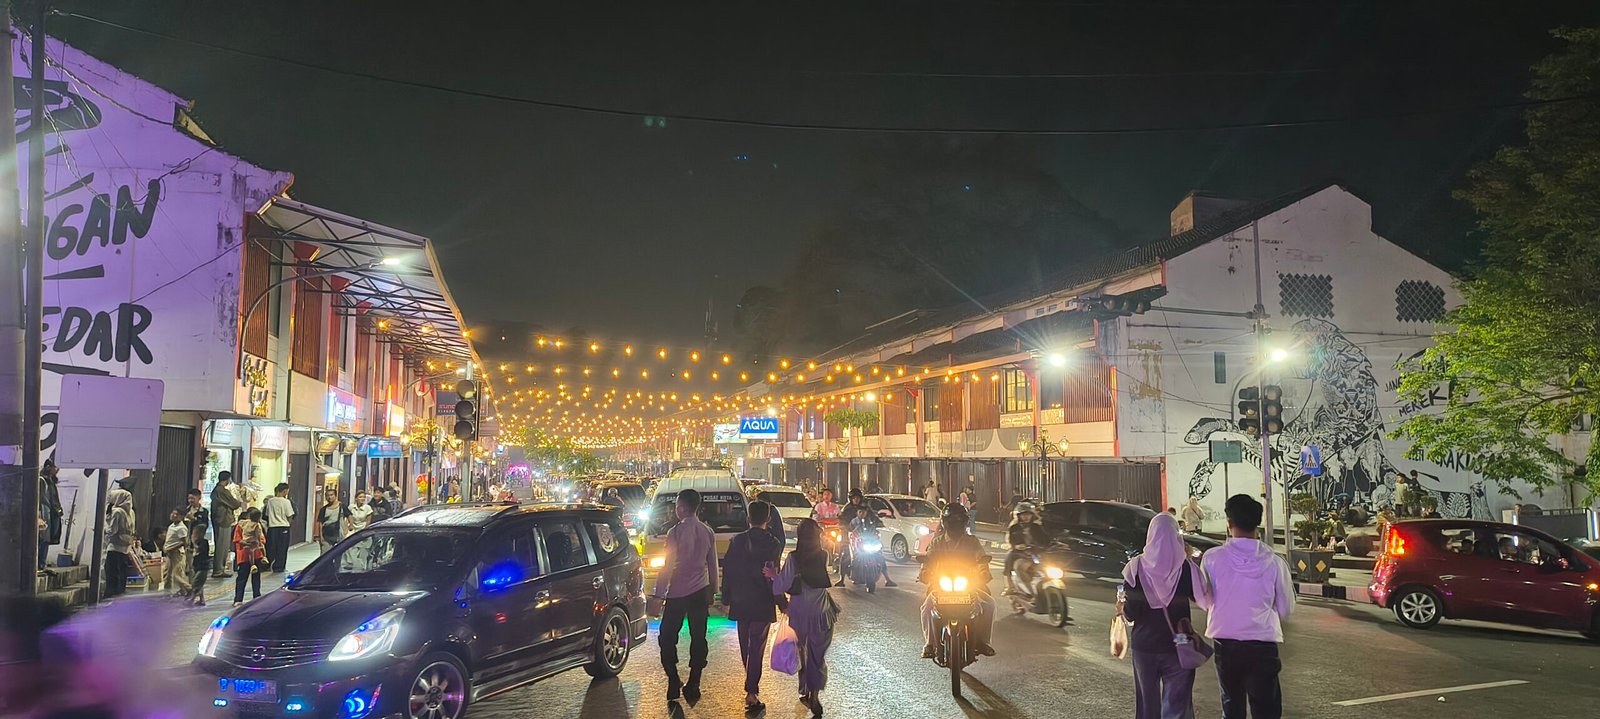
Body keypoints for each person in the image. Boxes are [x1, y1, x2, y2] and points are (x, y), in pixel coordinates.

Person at [1198, 494, 1294, 719]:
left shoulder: (1212, 559)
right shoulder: (1276, 563)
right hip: (1263, 646)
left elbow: (1205, 601)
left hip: (1227, 645)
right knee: (1266, 709)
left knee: (1231, 706)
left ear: (1229, 523)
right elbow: (1286, 609)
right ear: (1257, 523)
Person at [1120, 512, 1209, 719]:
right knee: (1177, 706)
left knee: (1147, 706)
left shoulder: (1135, 568)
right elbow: (1204, 600)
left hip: (1145, 648)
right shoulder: (1186, 568)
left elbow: (1131, 613)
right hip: (1178, 646)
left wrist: (1121, 607)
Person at [649, 488, 718, 703]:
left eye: (677, 505)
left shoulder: (674, 533)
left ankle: (673, 678)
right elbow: (712, 566)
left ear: (682, 508)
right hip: (699, 591)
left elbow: (667, 567)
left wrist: (658, 596)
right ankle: (694, 682)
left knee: (667, 637)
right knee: (699, 637)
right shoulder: (707, 531)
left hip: (677, 593)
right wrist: (713, 591)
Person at [769, 519, 839, 718]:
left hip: (799, 614)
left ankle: (805, 689)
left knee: (803, 653)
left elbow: (780, 586)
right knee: (817, 656)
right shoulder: (823, 555)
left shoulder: (793, 558)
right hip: (821, 613)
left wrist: (775, 575)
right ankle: (814, 693)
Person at [722, 500, 786, 713]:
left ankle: (751, 686)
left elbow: (728, 570)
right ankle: (751, 692)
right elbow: (772, 575)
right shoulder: (773, 543)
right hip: (762, 601)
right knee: (756, 646)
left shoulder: (737, 541)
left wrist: (726, 598)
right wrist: (782, 603)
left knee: (746, 645)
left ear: (748, 518)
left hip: (741, 600)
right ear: (768, 519)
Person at [919, 504, 995, 657]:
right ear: (945, 523)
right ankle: (929, 644)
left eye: (958, 521)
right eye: (952, 521)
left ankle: (982, 642)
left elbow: (981, 560)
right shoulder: (937, 542)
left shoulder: (972, 542)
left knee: (989, 605)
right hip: (941, 587)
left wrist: (983, 573)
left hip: (969, 585)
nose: (955, 525)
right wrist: (925, 572)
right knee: (927, 608)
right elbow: (928, 560)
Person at [1003, 501, 1050, 595]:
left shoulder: (1036, 527)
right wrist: (1017, 546)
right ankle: (1010, 587)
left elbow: (1046, 539)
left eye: (1028, 514)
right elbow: (1012, 541)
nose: (1026, 517)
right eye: (1023, 515)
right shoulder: (1014, 528)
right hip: (1020, 554)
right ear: (1018, 516)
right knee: (1011, 562)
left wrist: (1057, 543)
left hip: (1036, 553)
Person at [848, 503, 896, 590]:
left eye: (864, 512)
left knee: (881, 558)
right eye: (860, 512)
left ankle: (888, 579)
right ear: (857, 513)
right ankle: (842, 578)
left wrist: (879, 527)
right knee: (847, 558)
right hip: (858, 545)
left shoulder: (870, 520)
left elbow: (877, 526)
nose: (862, 514)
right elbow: (850, 530)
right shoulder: (854, 521)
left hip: (870, 544)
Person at [103, 488, 137, 599]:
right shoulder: (131, 512)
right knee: (122, 574)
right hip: (125, 548)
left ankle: (110, 595)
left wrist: (102, 530)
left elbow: (112, 530)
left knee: (111, 573)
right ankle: (119, 595)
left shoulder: (117, 511)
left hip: (114, 547)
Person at [232, 506, 267, 606]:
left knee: (255, 576)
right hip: (244, 555)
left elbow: (262, 539)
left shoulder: (257, 525)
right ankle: (238, 599)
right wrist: (249, 543)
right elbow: (236, 539)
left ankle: (256, 596)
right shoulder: (240, 526)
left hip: (255, 554)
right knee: (243, 577)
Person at [210, 471, 241, 578]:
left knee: (221, 544)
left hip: (219, 520)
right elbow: (235, 503)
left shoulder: (216, 490)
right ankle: (219, 569)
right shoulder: (222, 491)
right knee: (222, 545)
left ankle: (219, 569)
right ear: (228, 479)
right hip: (223, 520)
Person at [37, 458, 63, 573]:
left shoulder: (50, 480)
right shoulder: (42, 480)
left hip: (51, 513)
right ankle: (38, 565)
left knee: (46, 540)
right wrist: (39, 515)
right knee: (42, 539)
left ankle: (41, 564)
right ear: (48, 467)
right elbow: (41, 499)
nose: (56, 471)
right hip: (44, 512)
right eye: (55, 468)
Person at [263, 483, 295, 573]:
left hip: (272, 527)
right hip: (283, 527)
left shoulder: (270, 501)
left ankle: (267, 565)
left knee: (271, 547)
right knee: (282, 548)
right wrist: (288, 523)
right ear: (285, 491)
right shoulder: (286, 501)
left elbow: (267, 514)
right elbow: (290, 515)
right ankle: (279, 567)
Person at [162, 508, 193, 598]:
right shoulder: (172, 526)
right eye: (172, 513)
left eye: (176, 514)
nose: (173, 515)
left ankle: (189, 588)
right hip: (169, 553)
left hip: (176, 553)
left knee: (176, 575)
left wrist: (171, 548)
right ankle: (167, 592)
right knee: (167, 574)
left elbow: (184, 543)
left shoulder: (181, 528)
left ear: (181, 517)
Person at [190, 524, 212, 606]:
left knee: (196, 583)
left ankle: (191, 599)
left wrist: (193, 542)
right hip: (197, 565)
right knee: (200, 584)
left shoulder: (204, 542)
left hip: (203, 566)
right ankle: (202, 599)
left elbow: (199, 550)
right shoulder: (197, 542)